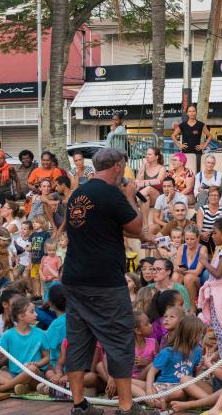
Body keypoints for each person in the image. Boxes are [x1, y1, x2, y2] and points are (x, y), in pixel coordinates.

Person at [61, 147, 151, 415]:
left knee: (78, 340)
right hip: (105, 282)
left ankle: (79, 404)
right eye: (123, 165)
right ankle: (126, 406)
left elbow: (101, 225)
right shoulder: (112, 193)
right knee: (119, 339)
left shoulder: (78, 193)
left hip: (75, 279)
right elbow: (136, 226)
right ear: (116, 166)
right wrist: (130, 197)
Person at [172, 104, 211, 171]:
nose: (192, 113)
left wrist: (203, 146)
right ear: (187, 113)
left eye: (193, 111)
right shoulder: (183, 125)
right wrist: (180, 145)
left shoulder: (201, 124)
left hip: (197, 154)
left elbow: (210, 136)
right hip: (186, 154)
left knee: (197, 172)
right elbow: (173, 136)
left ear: (196, 112)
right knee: (186, 173)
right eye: (190, 111)